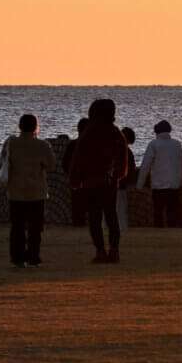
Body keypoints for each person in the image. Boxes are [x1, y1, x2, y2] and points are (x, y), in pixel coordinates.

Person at [67, 98, 129, 264]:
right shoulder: (116, 133)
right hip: (110, 183)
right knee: (111, 216)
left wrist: (75, 179)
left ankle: (100, 251)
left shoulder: (89, 133)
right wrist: (117, 175)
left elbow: (78, 159)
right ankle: (114, 250)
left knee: (95, 218)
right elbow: (123, 160)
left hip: (91, 183)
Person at [0, 113, 54, 268]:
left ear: (20, 126)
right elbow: (51, 165)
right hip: (37, 192)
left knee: (17, 227)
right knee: (35, 228)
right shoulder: (42, 145)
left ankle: (17, 258)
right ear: (35, 126)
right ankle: (33, 257)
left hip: (16, 192)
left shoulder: (10, 143)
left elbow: (3, 159)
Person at [137, 120, 182, 227]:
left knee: (158, 211)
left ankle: (159, 231)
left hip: (158, 185)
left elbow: (145, 166)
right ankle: (172, 232)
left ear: (156, 131)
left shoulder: (153, 144)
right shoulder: (177, 144)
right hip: (174, 185)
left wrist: (140, 184)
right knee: (172, 212)